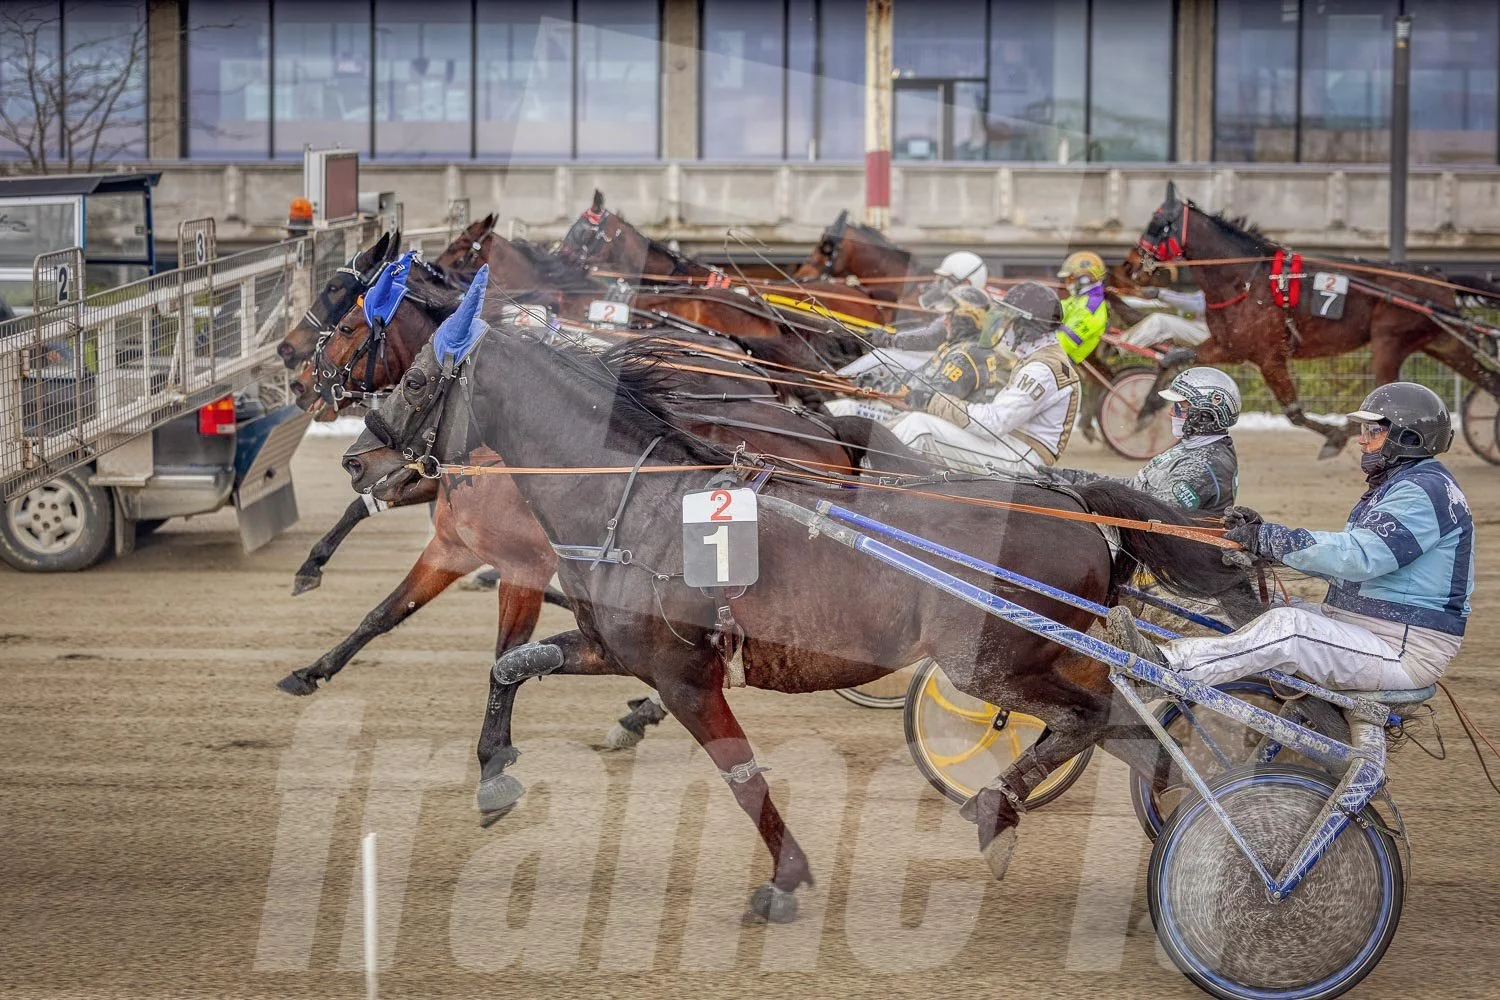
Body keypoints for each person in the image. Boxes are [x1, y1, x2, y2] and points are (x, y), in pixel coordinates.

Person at [1108, 382, 1474, 692]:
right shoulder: (1403, 485)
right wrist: (1264, 546)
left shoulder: (1423, 492)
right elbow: (1350, 565)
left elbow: (1359, 559)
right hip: (1368, 624)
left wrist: (1272, 540)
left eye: (1373, 432)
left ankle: (1164, 669)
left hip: (1402, 646)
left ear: (1406, 438)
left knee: (1289, 629)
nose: (1362, 442)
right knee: (1268, 616)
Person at [888, 281, 1077, 475]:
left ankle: (869, 487)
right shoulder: (1037, 357)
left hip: (1023, 460)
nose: (1002, 326)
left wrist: (933, 401)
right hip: (1010, 445)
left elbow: (992, 422)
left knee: (919, 426)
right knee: (914, 419)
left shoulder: (1042, 369)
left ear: (1025, 325)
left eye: (1008, 319)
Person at [1047, 367, 1241, 516]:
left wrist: (1077, 491)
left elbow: (1148, 514)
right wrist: (1070, 477)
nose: (1170, 412)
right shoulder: (1198, 448)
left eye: (1179, 407)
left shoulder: (1201, 466)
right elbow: (1136, 490)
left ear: (1206, 414)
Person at [1056, 250, 1110, 365]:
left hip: (1059, 360)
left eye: (1070, 278)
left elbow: (1065, 342)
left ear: (1084, 279)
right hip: (1054, 354)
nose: (1066, 283)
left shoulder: (1090, 307)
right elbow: (1060, 308)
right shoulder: (1082, 298)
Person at [917, 251, 989, 309]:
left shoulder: (979, 317)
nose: (940, 286)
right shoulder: (948, 316)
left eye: (948, 280)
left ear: (966, 284)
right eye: (941, 279)